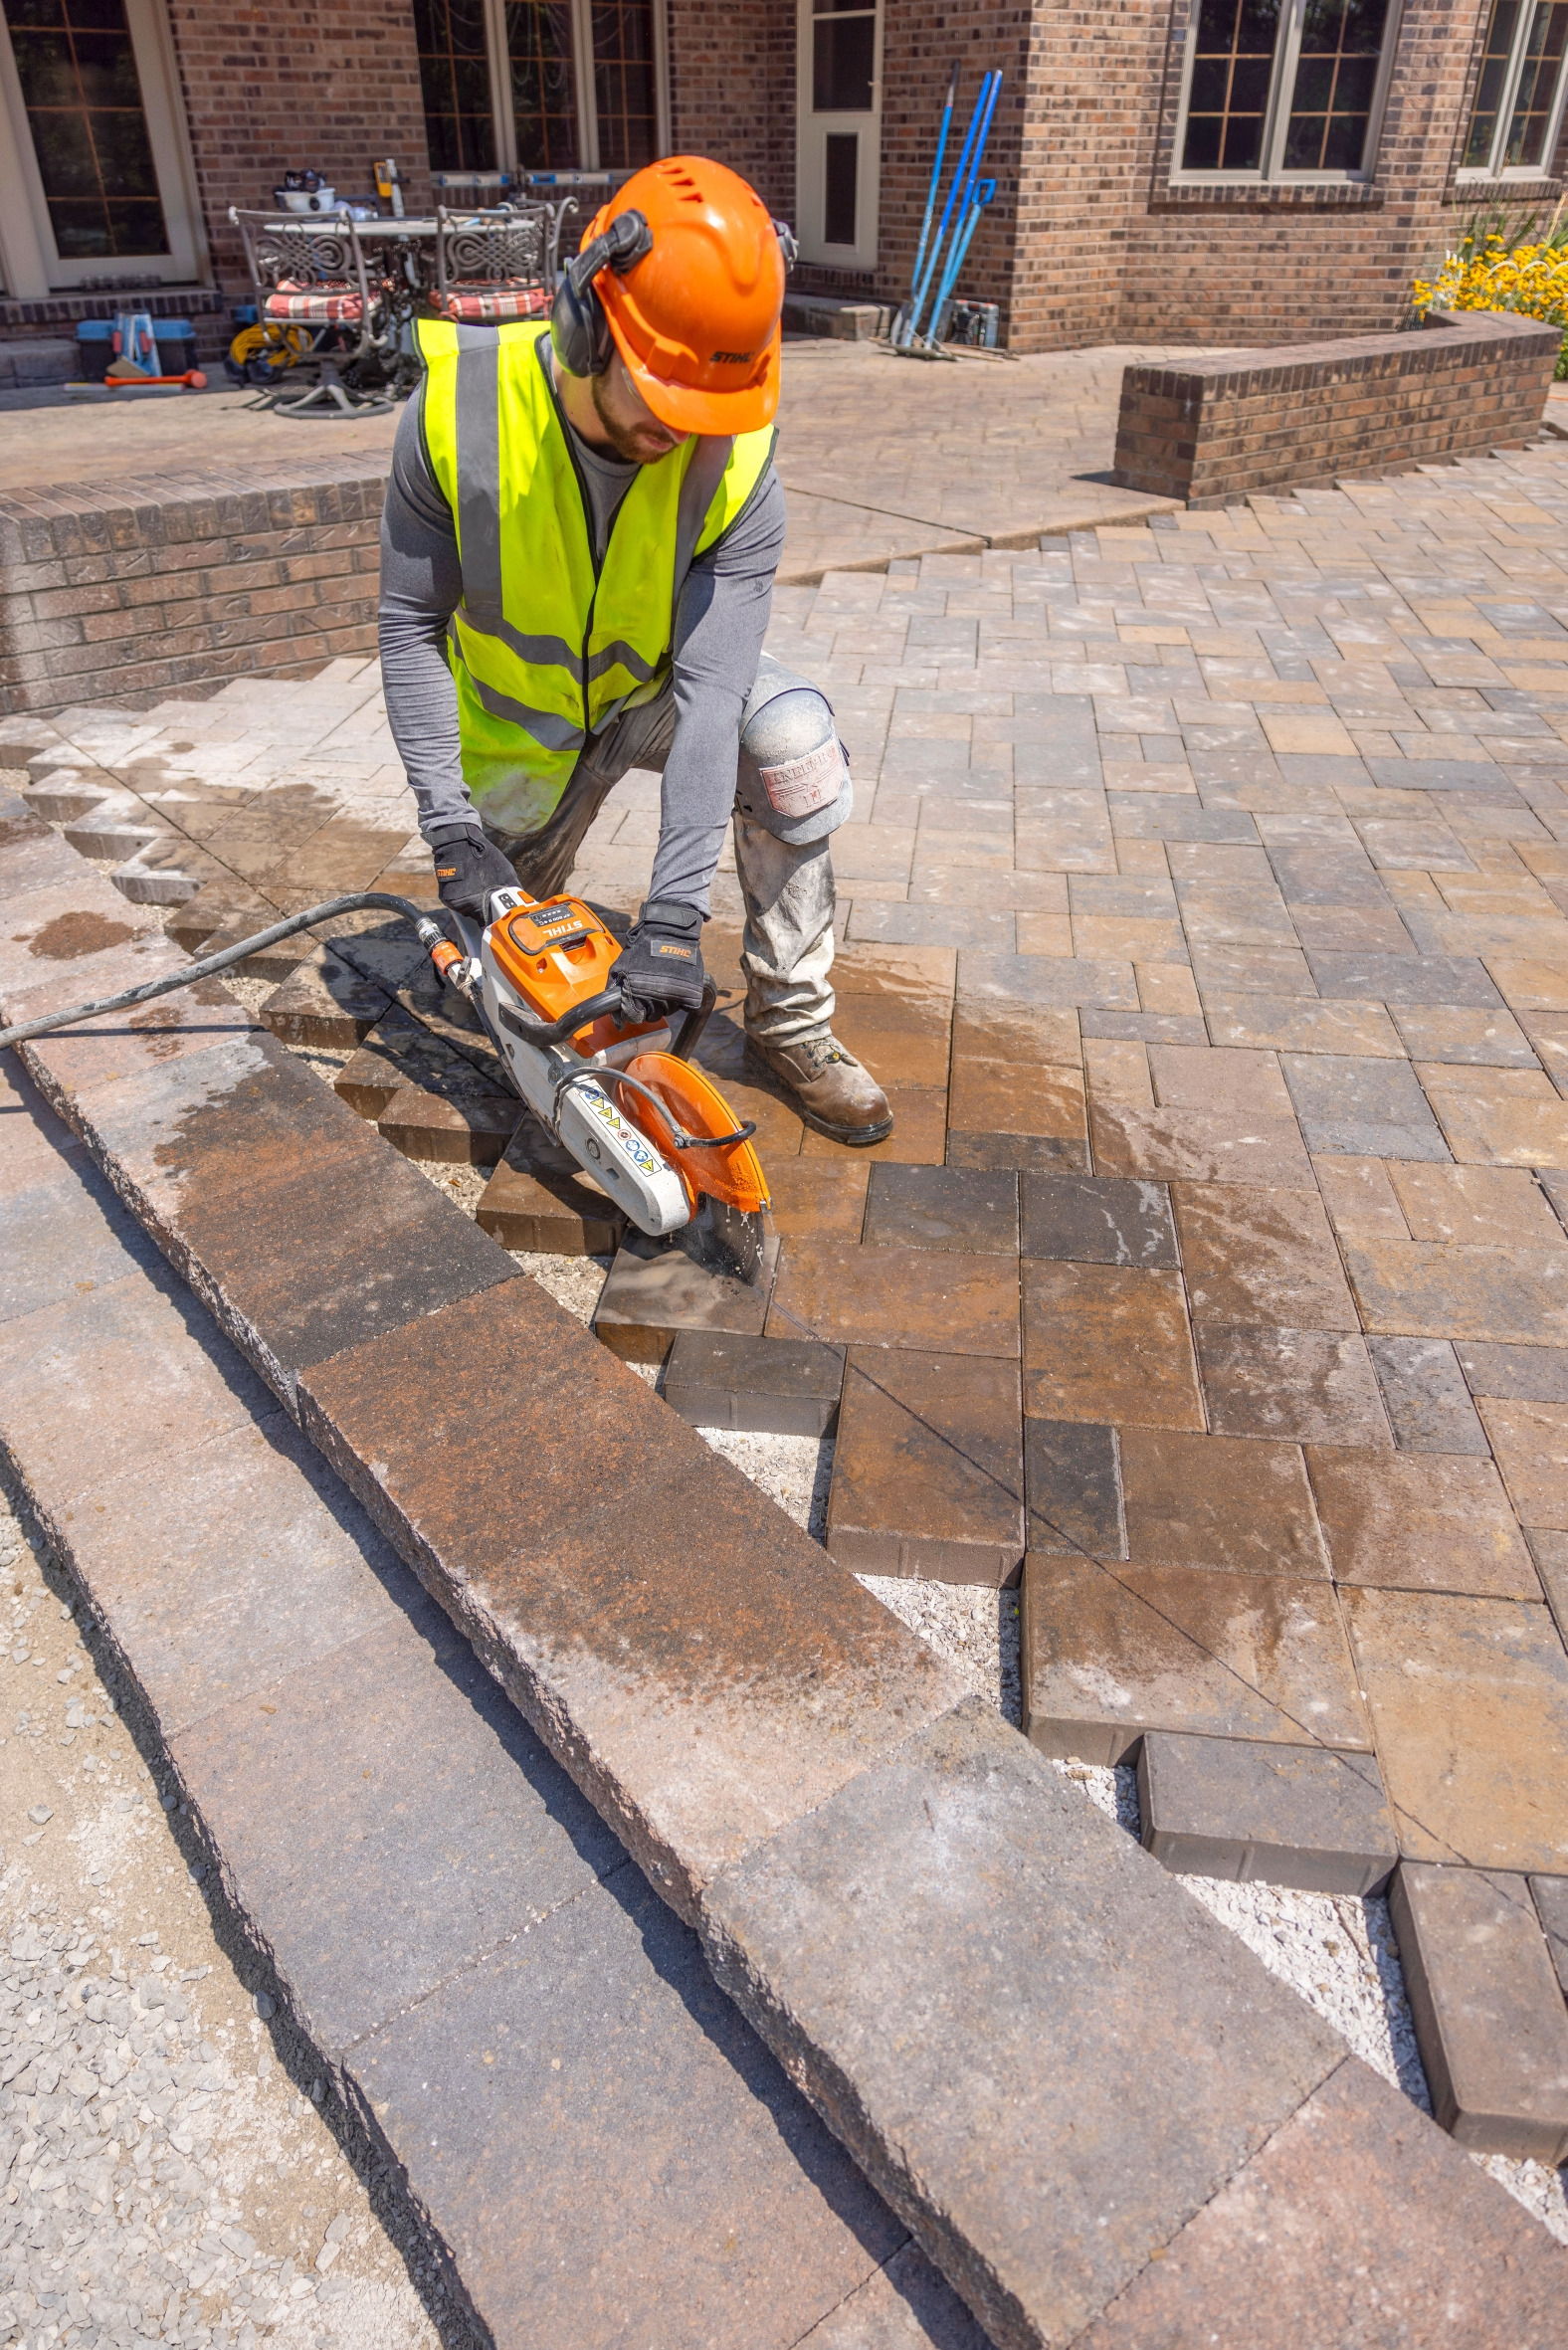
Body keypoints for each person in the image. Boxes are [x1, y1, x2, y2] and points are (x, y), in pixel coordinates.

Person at [377, 153, 891, 1146]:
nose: (683, 433)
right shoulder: (455, 417)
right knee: (493, 983)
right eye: (664, 398)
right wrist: (448, 830)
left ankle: (792, 1026)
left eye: (708, 408)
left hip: (649, 695)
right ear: (586, 320)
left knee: (789, 742)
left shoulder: (734, 457)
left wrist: (672, 918)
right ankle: (488, 889)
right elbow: (407, 629)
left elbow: (712, 691)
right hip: (517, 741)